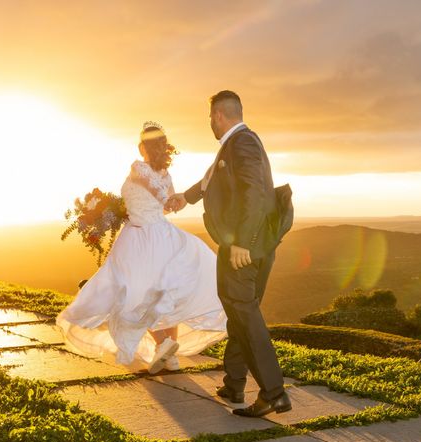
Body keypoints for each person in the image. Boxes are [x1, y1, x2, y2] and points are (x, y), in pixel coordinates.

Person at [56, 121, 227, 374]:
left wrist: (150, 204)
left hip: (140, 237)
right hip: (161, 233)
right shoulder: (166, 175)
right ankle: (170, 356)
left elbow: (159, 198)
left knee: (136, 294)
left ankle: (165, 344)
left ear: (142, 146)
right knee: (162, 292)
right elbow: (168, 205)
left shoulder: (138, 168)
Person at [168, 90, 292, 417]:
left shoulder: (243, 143)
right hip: (254, 245)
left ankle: (273, 392)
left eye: (210, 117)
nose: (210, 123)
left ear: (219, 116)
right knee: (240, 311)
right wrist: (186, 197)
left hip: (244, 248)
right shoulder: (234, 145)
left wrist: (242, 242)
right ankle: (235, 382)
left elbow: (255, 192)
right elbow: (212, 178)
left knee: (243, 313)